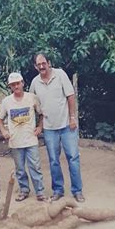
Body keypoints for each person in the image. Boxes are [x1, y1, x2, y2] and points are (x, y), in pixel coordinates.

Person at [29, 53, 85, 203]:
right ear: (35, 66)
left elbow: (71, 96)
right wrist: (38, 125)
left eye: (43, 63)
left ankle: (77, 191)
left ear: (48, 63)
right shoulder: (35, 83)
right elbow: (32, 105)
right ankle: (58, 190)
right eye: (38, 64)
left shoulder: (60, 75)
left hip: (67, 125)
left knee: (73, 158)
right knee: (53, 160)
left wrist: (72, 118)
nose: (41, 66)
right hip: (49, 128)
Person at [0, 72, 46, 202]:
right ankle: (24, 190)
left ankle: (40, 192)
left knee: (35, 166)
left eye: (18, 83)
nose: (16, 86)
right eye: (13, 85)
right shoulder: (7, 102)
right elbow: (0, 118)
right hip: (15, 141)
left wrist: (40, 127)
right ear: (10, 87)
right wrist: (3, 131)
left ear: (23, 83)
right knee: (19, 168)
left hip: (30, 139)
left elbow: (41, 113)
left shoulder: (32, 98)